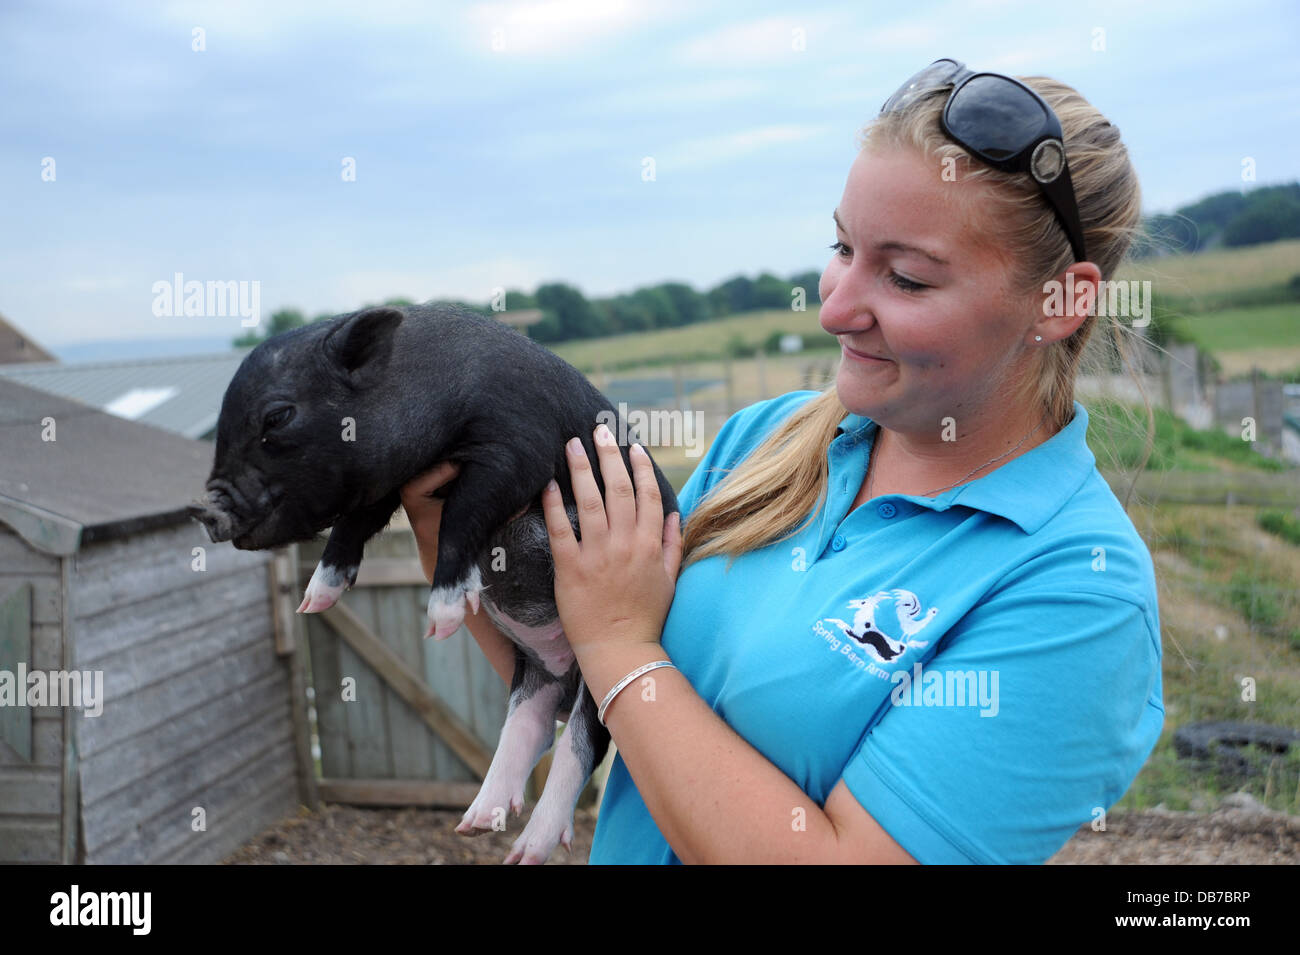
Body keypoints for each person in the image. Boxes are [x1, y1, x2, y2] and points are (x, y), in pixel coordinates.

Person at [400, 59, 1164, 864]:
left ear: (1060, 302)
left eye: (905, 277)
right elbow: (586, 681)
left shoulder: (1080, 591)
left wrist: (623, 645)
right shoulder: (765, 440)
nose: (833, 307)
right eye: (842, 246)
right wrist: (447, 522)